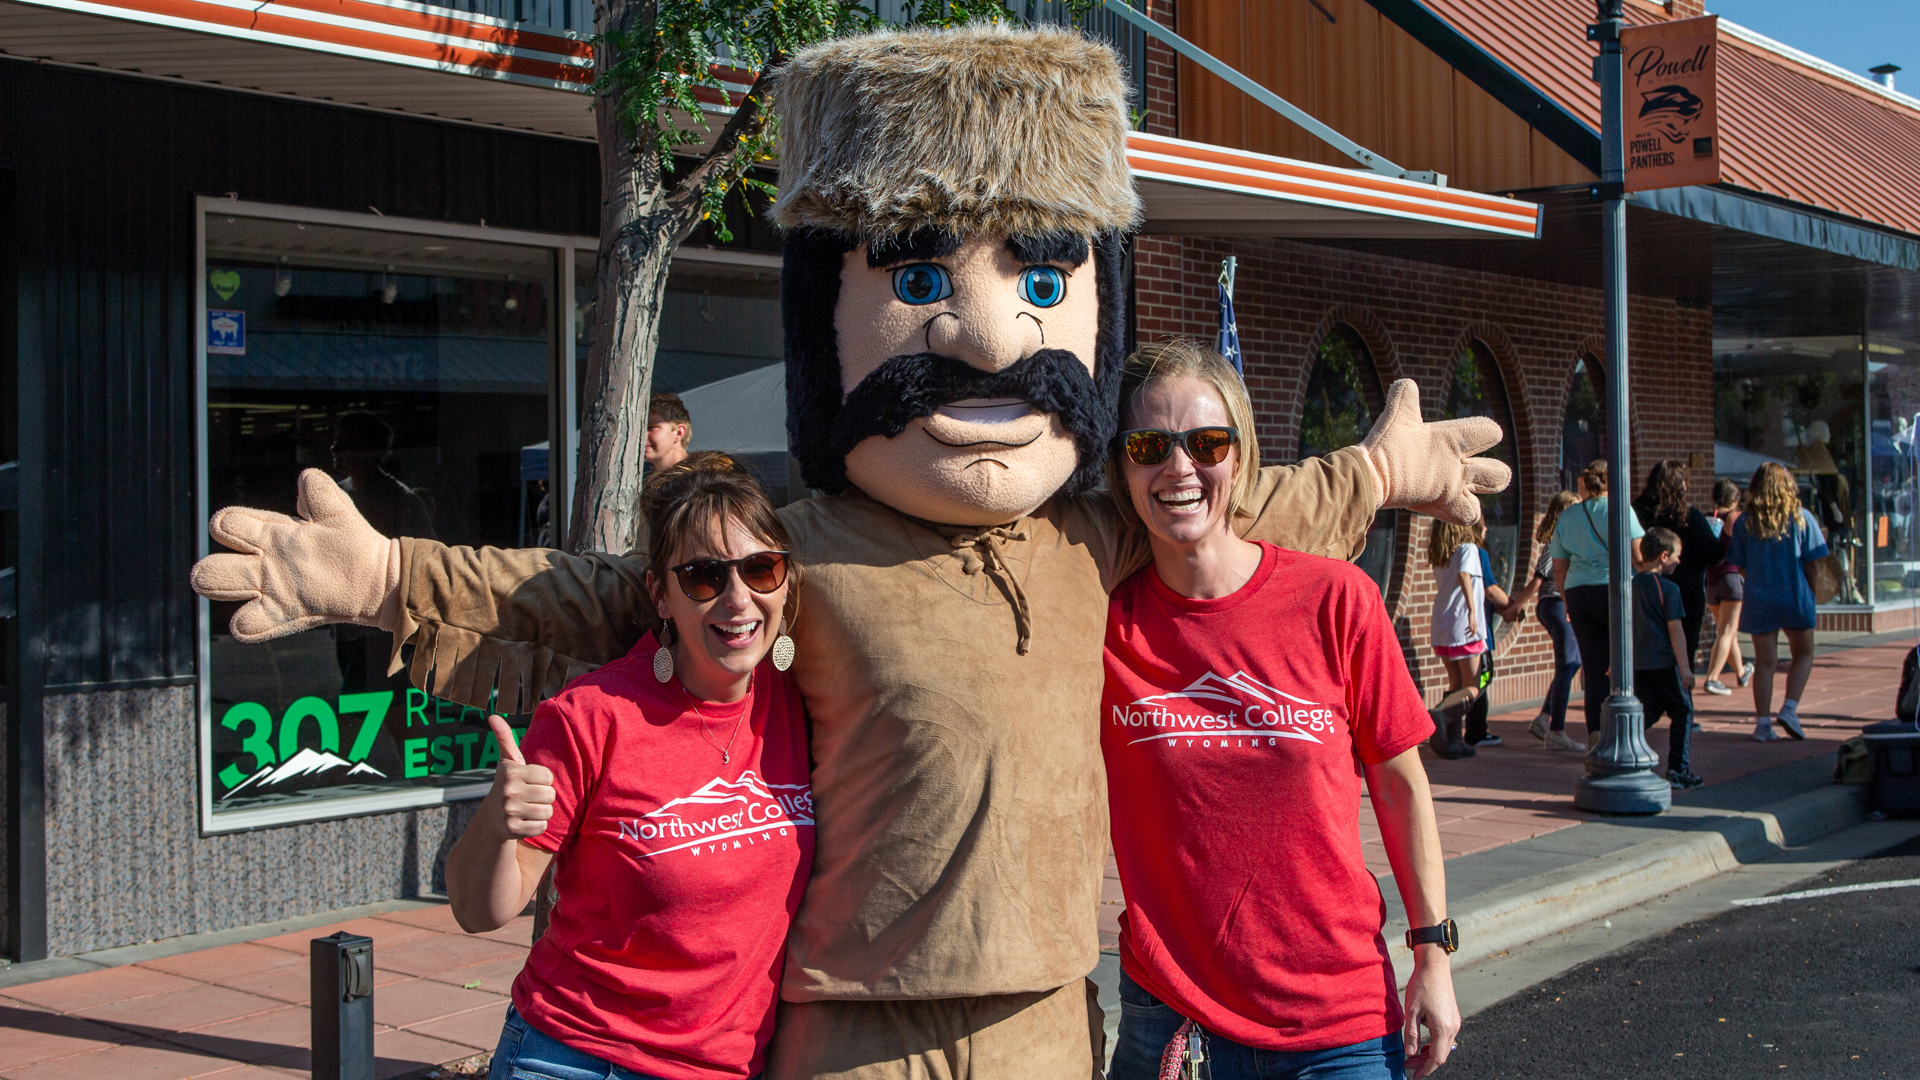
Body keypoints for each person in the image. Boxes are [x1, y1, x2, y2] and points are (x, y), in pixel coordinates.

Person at [1102, 342, 1458, 1080]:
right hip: (1171, 1019)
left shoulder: (1336, 598)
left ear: (1241, 457)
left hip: (1337, 1024)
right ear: (1120, 467)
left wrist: (1433, 954)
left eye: (1207, 443)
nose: (1179, 469)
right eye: (1149, 446)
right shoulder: (1102, 623)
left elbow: (1400, 785)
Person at [445, 453, 813, 1080]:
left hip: (727, 1067)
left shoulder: (802, 704)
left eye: (760, 569)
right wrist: (496, 823)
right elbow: (481, 911)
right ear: (659, 594)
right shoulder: (591, 717)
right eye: (702, 577)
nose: (737, 599)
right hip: (575, 1058)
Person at [1726, 462, 1828, 742]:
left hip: (1760, 597)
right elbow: (1814, 564)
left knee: (1764, 662)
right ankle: (1790, 709)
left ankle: (1762, 724)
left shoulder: (1745, 523)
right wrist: (1811, 596)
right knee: (1804, 654)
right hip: (1795, 594)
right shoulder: (1802, 518)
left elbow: (1740, 564)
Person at [1551, 461, 1645, 749]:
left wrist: (1567, 601)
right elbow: (1638, 558)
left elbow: (1559, 568)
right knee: (1622, 661)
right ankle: (1621, 730)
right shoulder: (1621, 510)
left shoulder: (1568, 516)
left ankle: (1594, 734)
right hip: (1613, 591)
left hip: (1579, 593)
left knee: (1592, 668)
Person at [1501, 491, 1585, 751]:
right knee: (1568, 661)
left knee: (1573, 662)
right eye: (1575, 509)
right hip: (1555, 604)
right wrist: (1516, 605)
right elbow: (1539, 579)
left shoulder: (1568, 539)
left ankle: (1544, 718)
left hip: (1559, 605)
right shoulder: (1556, 541)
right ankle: (1555, 730)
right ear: (1563, 513)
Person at [1631, 460, 1721, 671]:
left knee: (1647, 651)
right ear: (1680, 486)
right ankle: (1681, 695)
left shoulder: (1637, 512)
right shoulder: (1690, 517)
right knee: (1683, 653)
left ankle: (1651, 698)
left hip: (1646, 589)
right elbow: (1714, 554)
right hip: (1685, 592)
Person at [1633, 527, 1702, 789]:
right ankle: (1678, 768)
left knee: (1650, 710)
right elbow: (1676, 630)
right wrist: (1685, 668)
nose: (1678, 561)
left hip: (1639, 663)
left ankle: (1626, 744)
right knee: (1683, 711)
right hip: (1664, 662)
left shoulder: (1630, 586)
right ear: (1663, 556)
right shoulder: (1669, 589)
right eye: (1676, 556)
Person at [1426, 520, 1485, 760]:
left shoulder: (1441, 553)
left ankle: (1454, 740)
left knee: (1455, 683)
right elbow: (1464, 575)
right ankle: (1441, 715)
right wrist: (1472, 610)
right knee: (1473, 686)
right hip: (1464, 625)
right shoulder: (1468, 548)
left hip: (1442, 625)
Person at [1701, 478, 1755, 696]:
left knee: (1726, 630)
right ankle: (1713, 678)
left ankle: (1741, 672)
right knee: (1726, 630)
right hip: (1732, 578)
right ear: (1735, 497)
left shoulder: (1708, 518)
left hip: (1711, 580)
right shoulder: (1735, 518)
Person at [645, 392, 693, 472]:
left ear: (679, 432)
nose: (641, 437)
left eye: (651, 428)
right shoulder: (645, 482)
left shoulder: (704, 477)